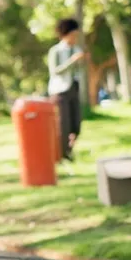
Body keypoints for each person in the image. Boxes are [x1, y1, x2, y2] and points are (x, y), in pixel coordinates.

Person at [47, 18, 85, 161]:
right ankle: (62, 154)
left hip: (74, 88)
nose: (75, 38)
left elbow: (79, 69)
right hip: (60, 90)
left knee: (76, 124)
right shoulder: (56, 51)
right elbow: (55, 71)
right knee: (64, 124)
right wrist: (72, 62)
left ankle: (69, 149)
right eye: (73, 35)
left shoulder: (76, 49)